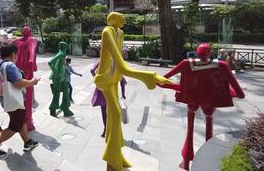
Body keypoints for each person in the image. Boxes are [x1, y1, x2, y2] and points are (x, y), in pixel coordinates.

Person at [94, 12, 171, 171]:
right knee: (115, 115)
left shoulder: (120, 32)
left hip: (114, 78)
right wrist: (151, 76)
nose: (124, 19)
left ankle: (117, 155)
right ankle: (111, 160)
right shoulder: (107, 32)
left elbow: (120, 60)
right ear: (114, 19)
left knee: (114, 120)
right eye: (121, 17)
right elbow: (122, 65)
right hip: (105, 80)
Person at [159, 43, 245, 170]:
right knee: (208, 127)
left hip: (192, 101)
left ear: (197, 52)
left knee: (189, 130)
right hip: (210, 103)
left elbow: (162, 80)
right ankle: (207, 161)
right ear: (210, 53)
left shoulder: (185, 63)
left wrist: (179, 88)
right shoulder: (222, 65)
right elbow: (240, 94)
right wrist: (227, 91)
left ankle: (186, 161)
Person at [0, 43, 40, 158]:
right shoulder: (9, 65)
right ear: (13, 53)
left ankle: (28, 142)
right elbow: (18, 83)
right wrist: (32, 82)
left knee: (20, 120)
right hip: (14, 100)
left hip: (6, 99)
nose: (17, 56)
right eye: (16, 53)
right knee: (15, 126)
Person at [0, 26, 38, 131]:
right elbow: (31, 58)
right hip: (24, 74)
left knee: (17, 99)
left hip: (13, 73)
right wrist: (30, 74)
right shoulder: (32, 40)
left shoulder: (16, 41)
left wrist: (3, 61)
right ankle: (27, 123)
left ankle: (21, 125)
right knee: (27, 100)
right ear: (30, 32)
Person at [91, 60, 126, 138]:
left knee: (104, 112)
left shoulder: (101, 60)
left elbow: (92, 70)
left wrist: (97, 82)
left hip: (102, 90)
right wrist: (123, 94)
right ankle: (112, 131)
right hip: (112, 93)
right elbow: (123, 81)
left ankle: (106, 130)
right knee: (113, 113)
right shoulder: (115, 62)